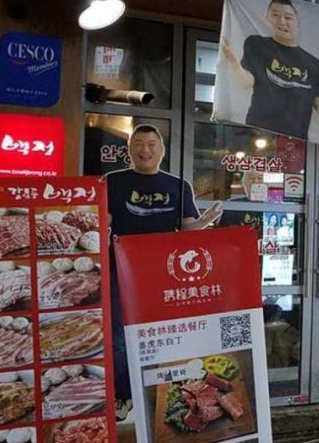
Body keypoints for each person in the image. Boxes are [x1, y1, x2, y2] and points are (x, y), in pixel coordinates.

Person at [105, 125, 223, 420]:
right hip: (119, 271)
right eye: (138, 143)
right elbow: (101, 221)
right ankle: (123, 396)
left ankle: (163, 395)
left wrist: (204, 223)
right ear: (129, 149)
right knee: (118, 337)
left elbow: (186, 229)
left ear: (162, 150)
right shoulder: (111, 182)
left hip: (164, 275)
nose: (145, 150)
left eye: (151, 144)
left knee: (165, 336)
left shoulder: (178, 185)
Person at [220, 0, 319, 139]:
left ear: (298, 23)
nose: (282, 21)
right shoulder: (256, 44)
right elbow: (247, 82)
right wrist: (234, 64)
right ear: (267, 19)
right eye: (275, 15)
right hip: (257, 132)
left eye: (288, 17)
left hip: (296, 139)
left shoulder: (315, 65)